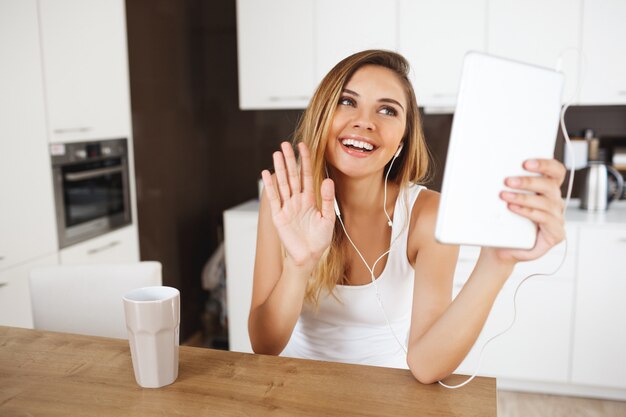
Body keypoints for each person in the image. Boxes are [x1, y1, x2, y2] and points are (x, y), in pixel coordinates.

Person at [249, 50, 566, 384]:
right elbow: (264, 345)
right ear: (321, 116)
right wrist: (299, 267)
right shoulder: (284, 203)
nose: (365, 121)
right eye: (347, 101)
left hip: (391, 391)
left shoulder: (426, 215)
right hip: (296, 385)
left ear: (402, 139)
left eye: (387, 110)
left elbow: (427, 366)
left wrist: (498, 263)